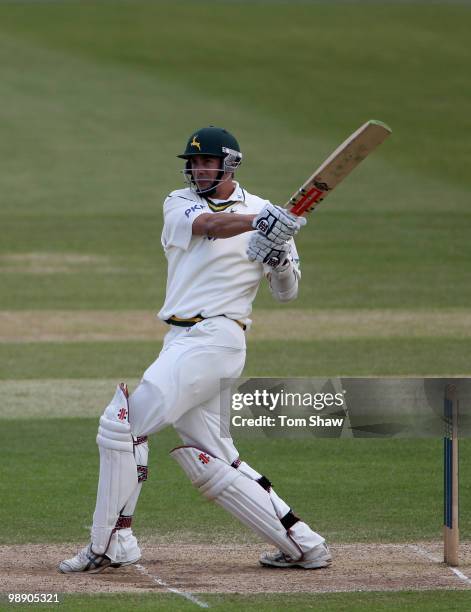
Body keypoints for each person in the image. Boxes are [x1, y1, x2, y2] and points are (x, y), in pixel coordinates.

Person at [59, 126, 331, 573]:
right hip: (181, 340)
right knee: (217, 456)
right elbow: (210, 227)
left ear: (231, 165)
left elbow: (287, 291)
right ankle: (304, 544)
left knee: (122, 425)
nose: (199, 168)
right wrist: (258, 225)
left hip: (217, 338)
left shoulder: (269, 214)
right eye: (194, 161)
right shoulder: (180, 203)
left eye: (208, 162)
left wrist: (279, 256)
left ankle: (110, 543)